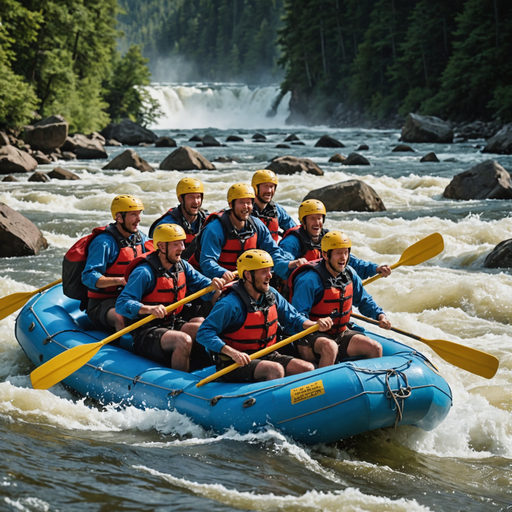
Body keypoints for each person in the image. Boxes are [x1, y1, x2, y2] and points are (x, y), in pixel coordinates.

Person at [196, 250, 333, 382]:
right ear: (248, 275)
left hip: (267, 355)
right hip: (234, 362)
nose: (270, 275)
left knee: (308, 369)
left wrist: (315, 324)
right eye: (264, 272)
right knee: (275, 370)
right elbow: (203, 333)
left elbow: (293, 317)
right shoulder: (230, 303)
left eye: (269, 270)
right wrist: (233, 353)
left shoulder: (271, 294)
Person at [116, 224, 225, 371]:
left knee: (203, 328)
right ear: (161, 246)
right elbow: (121, 304)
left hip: (172, 323)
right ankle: (180, 386)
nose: (182, 248)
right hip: (147, 331)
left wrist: (214, 284)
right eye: (176, 244)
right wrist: (149, 309)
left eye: (182, 243)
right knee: (183, 340)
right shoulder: (144, 272)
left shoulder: (182, 266)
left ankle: (208, 368)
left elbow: (204, 285)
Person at [289, 231, 391, 368]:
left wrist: (380, 315)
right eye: (338, 253)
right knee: (330, 347)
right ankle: (324, 387)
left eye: (346, 252)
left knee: (375, 348)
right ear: (325, 254)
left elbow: (364, 300)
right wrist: (314, 323)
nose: (343, 257)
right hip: (310, 336)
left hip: (340, 333)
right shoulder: (309, 280)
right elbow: (296, 316)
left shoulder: (349, 274)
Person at [190, 182, 306, 282]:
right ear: (231, 204)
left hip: (245, 280)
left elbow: (272, 253)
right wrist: (224, 273)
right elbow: (207, 262)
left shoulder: (256, 225)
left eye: (249, 203)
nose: (246, 207)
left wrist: (289, 265)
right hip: (215, 280)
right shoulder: (215, 229)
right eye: (241, 202)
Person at [81, 195, 152, 332]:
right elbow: (88, 276)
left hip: (130, 298)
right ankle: (122, 350)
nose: (139, 219)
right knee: (120, 316)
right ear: (119, 217)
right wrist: (119, 281)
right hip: (103, 303)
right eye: (133, 214)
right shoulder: (103, 243)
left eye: (139, 214)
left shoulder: (140, 238)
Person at [279, 199, 391, 280]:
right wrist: (294, 263)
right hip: (301, 291)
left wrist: (375, 269)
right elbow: (282, 264)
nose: (317, 223)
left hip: (323, 288)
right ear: (303, 221)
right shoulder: (292, 241)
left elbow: (349, 261)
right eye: (312, 218)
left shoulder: (327, 237)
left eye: (319, 218)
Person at [148, 177, 207, 253]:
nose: (196, 202)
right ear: (181, 199)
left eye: (198, 197)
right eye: (191, 197)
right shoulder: (167, 224)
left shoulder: (206, 220)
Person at [250, 169, 296, 242]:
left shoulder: (277, 210)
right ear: (255, 188)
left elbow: (295, 230)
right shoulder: (244, 209)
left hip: (271, 252)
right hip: (248, 252)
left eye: (271, 186)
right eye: (265, 186)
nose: (269, 191)